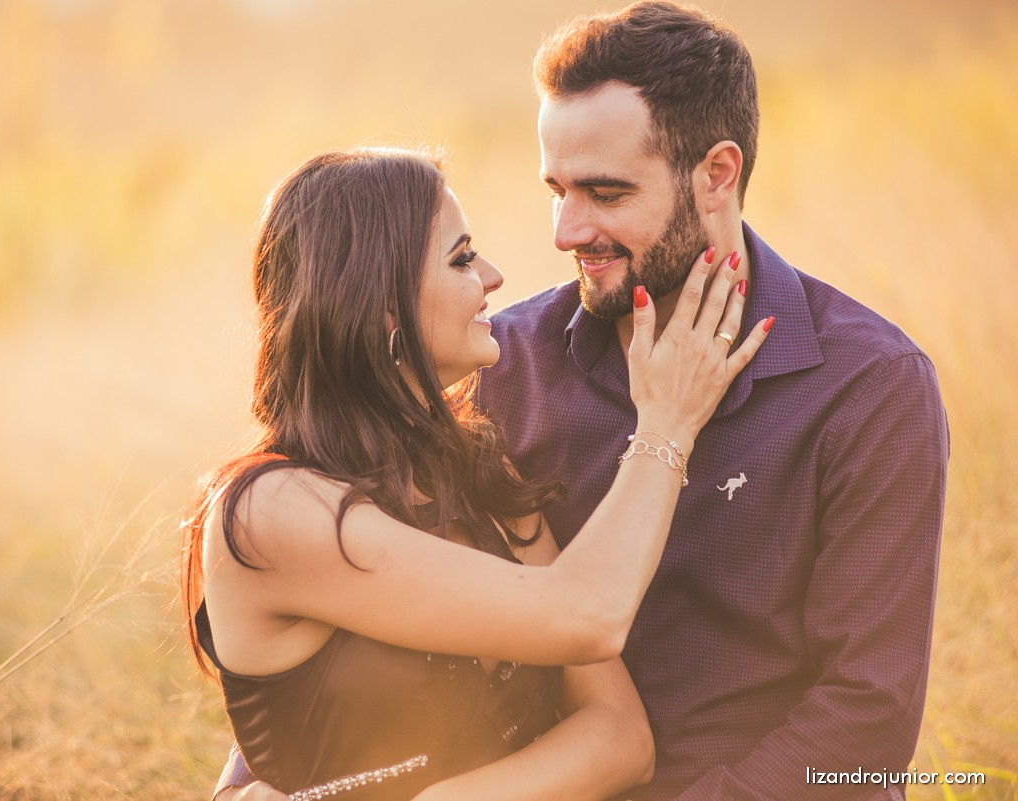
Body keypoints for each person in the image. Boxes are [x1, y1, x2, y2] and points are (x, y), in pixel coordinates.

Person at [212, 3, 950, 800]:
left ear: (717, 173)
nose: (566, 231)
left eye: (604, 192)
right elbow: (358, 596)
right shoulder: (508, 364)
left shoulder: (867, 387)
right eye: (556, 190)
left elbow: (866, 721)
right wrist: (263, 776)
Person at [184, 147, 771, 801]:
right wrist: (664, 426)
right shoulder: (272, 509)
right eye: (461, 258)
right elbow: (589, 615)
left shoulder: (480, 476)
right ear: (382, 305)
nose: (492, 276)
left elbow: (621, 736)